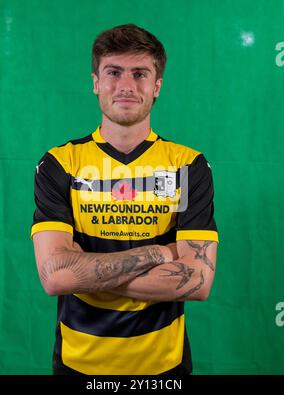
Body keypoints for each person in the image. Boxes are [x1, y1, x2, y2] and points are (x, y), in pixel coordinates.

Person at [31, 23, 219, 376]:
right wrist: (162, 254)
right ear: (96, 83)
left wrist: (83, 271)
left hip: (164, 366)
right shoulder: (60, 163)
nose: (126, 86)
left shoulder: (187, 164)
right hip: (79, 362)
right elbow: (55, 278)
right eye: (113, 72)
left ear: (157, 86)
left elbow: (198, 281)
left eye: (140, 74)